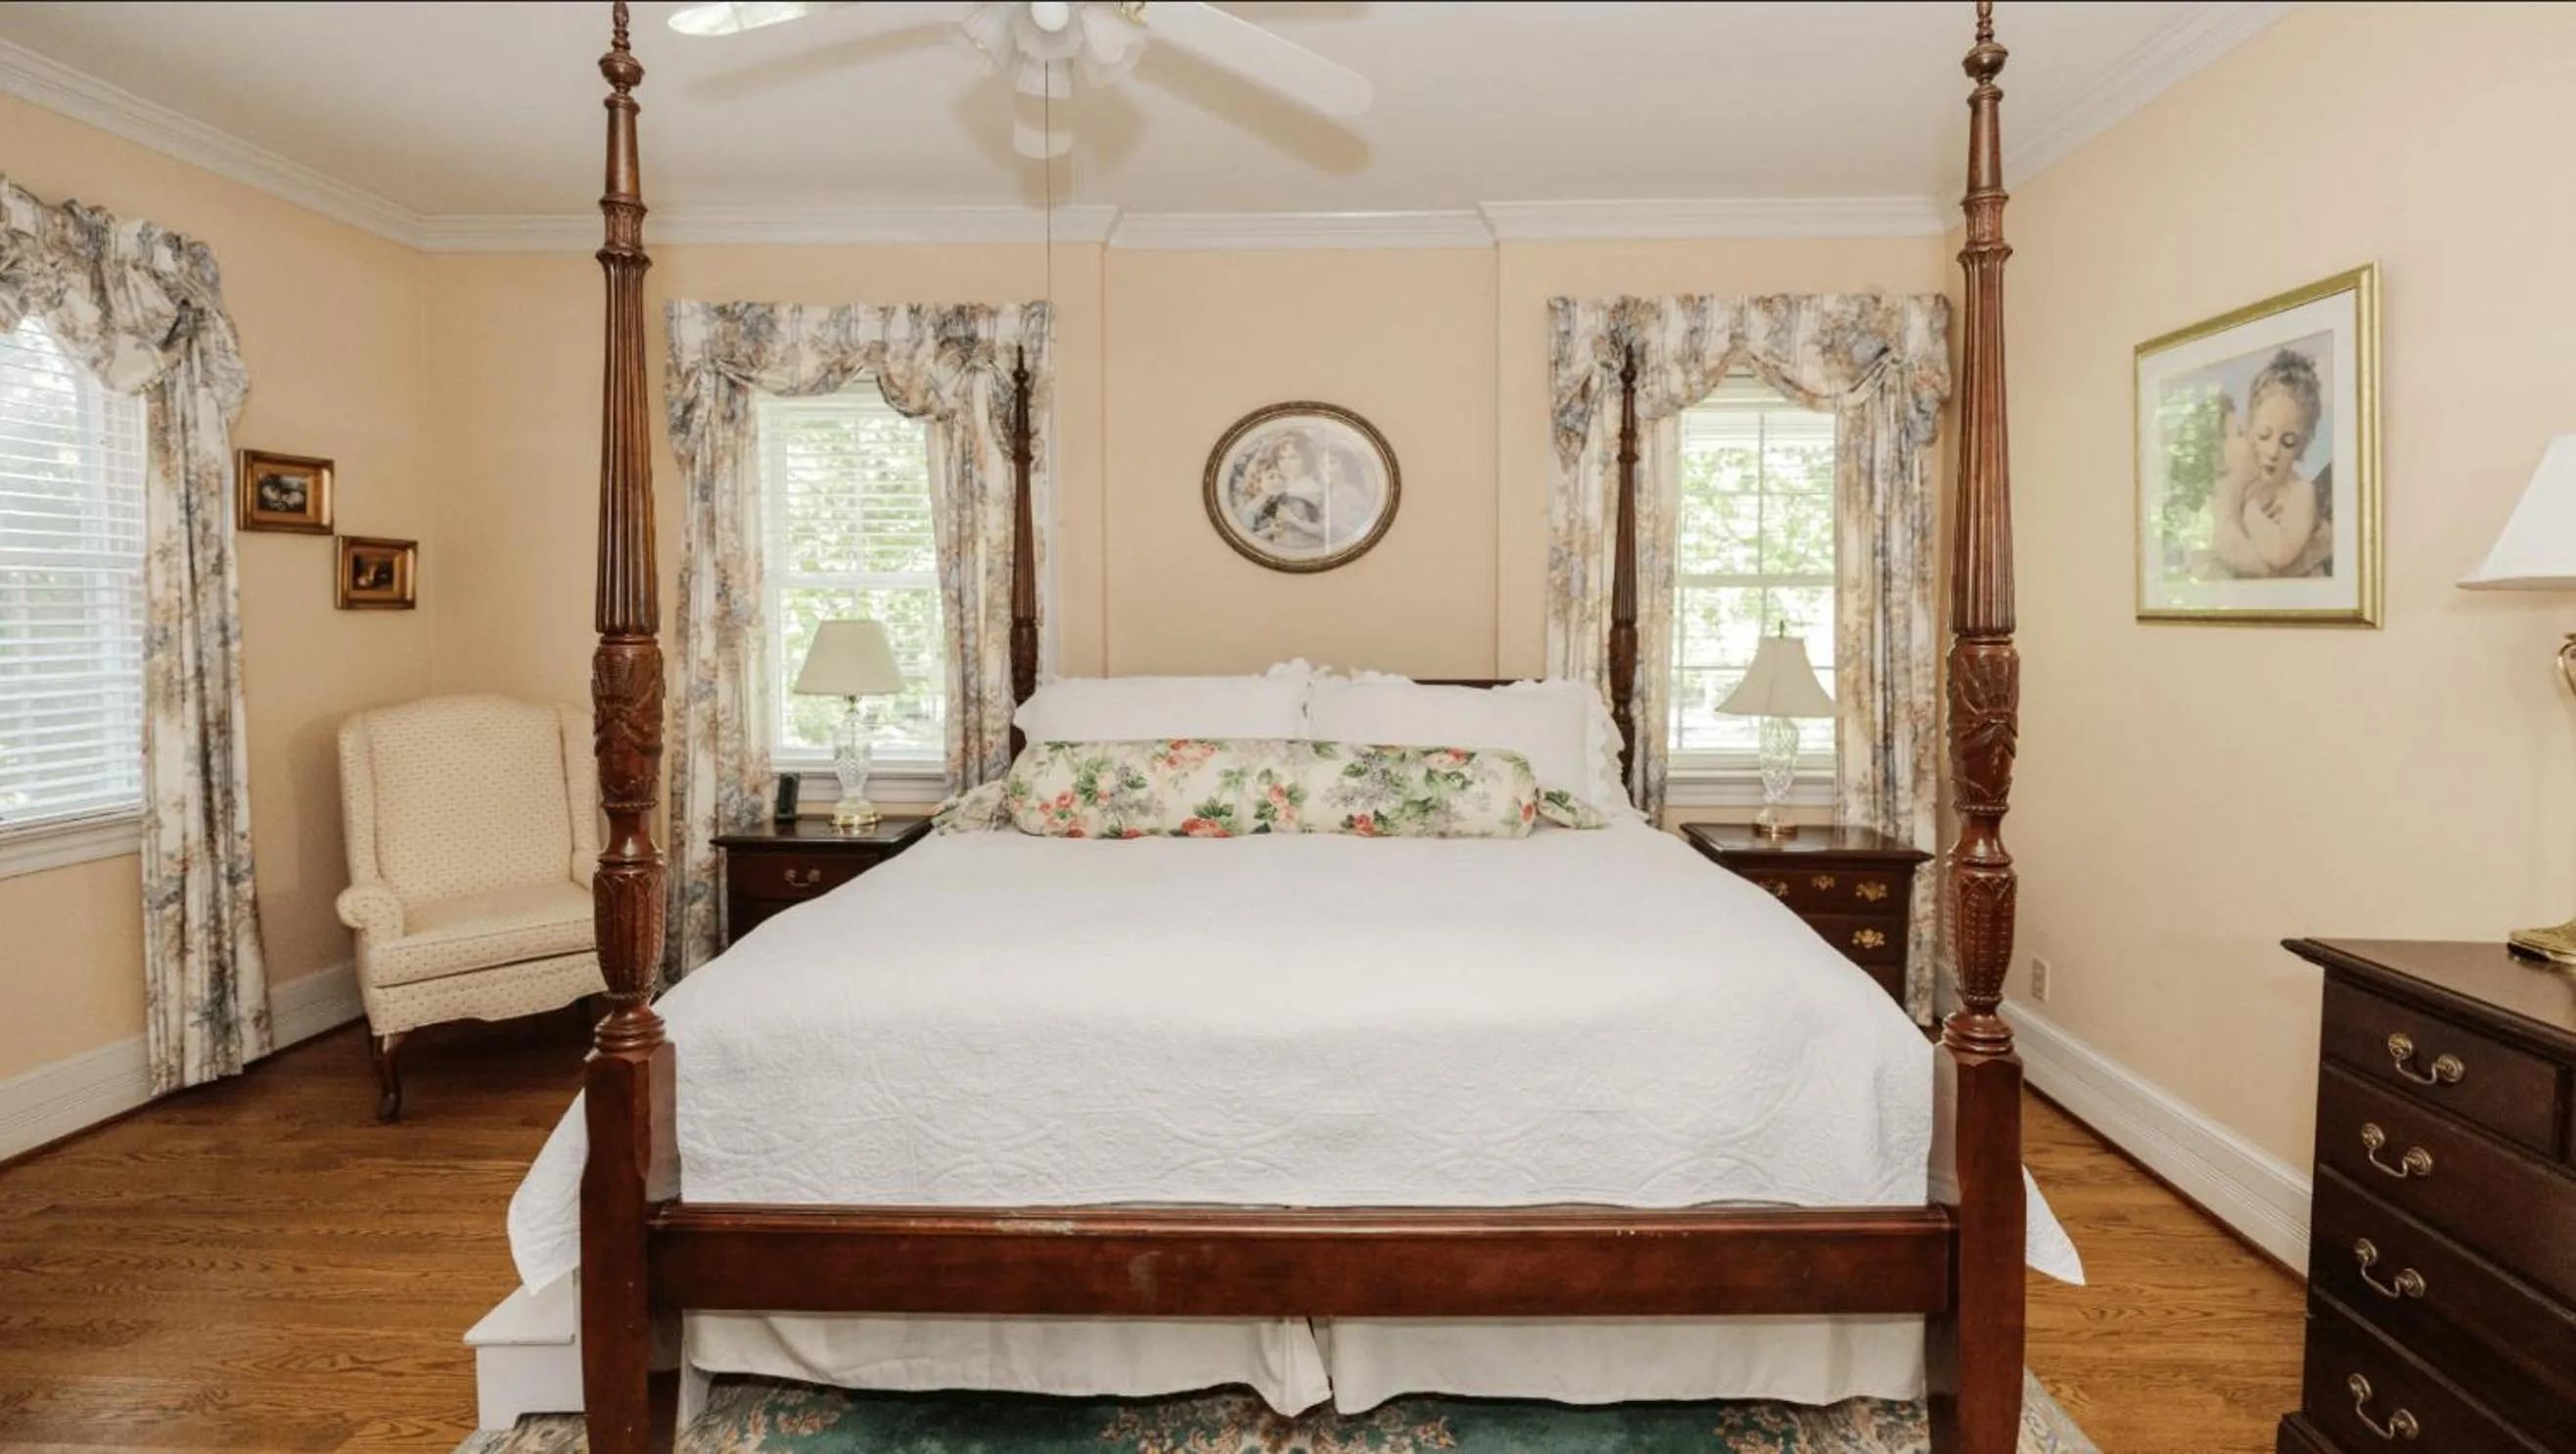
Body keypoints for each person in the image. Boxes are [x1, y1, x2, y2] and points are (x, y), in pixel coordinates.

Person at [2207, 349, 2331, 578]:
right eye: (2264, 435)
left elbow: (2280, 554)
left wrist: (2249, 510)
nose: (2273, 451)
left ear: (2304, 443)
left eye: (2288, 441)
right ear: (2251, 428)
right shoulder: (2244, 479)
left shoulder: (2301, 491)